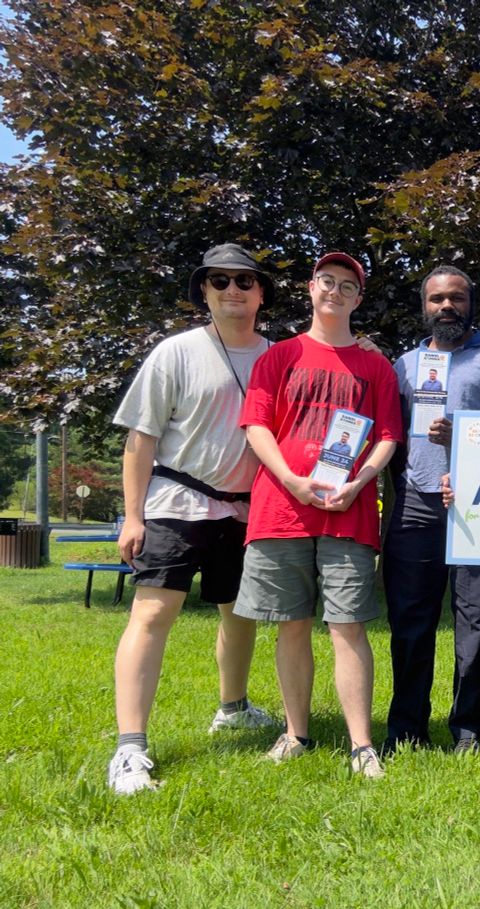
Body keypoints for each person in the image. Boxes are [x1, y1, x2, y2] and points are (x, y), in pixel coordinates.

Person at [108, 243, 277, 795]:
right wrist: (133, 518)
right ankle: (130, 748)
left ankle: (233, 707)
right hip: (175, 506)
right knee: (153, 615)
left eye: (244, 282)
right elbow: (141, 439)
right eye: (219, 281)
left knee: (240, 614)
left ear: (260, 293)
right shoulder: (175, 353)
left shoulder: (280, 357)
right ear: (203, 291)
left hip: (247, 509)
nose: (233, 290)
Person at [234, 252, 402, 778]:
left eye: (346, 286)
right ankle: (296, 732)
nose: (335, 291)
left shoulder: (375, 366)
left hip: (348, 514)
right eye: (326, 281)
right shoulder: (278, 356)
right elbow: (257, 426)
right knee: (291, 626)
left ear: (358, 298)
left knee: (348, 626)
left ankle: (361, 745)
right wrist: (290, 479)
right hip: (280, 511)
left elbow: (389, 436)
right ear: (311, 289)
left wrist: (360, 483)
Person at [383, 266, 480, 753]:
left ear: (471, 302)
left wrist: (469, 438)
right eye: (436, 299)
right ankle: (407, 727)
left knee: (476, 620)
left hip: (478, 506)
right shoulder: (405, 364)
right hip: (417, 503)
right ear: (424, 306)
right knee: (411, 621)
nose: (446, 307)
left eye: (456, 297)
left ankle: (469, 730)